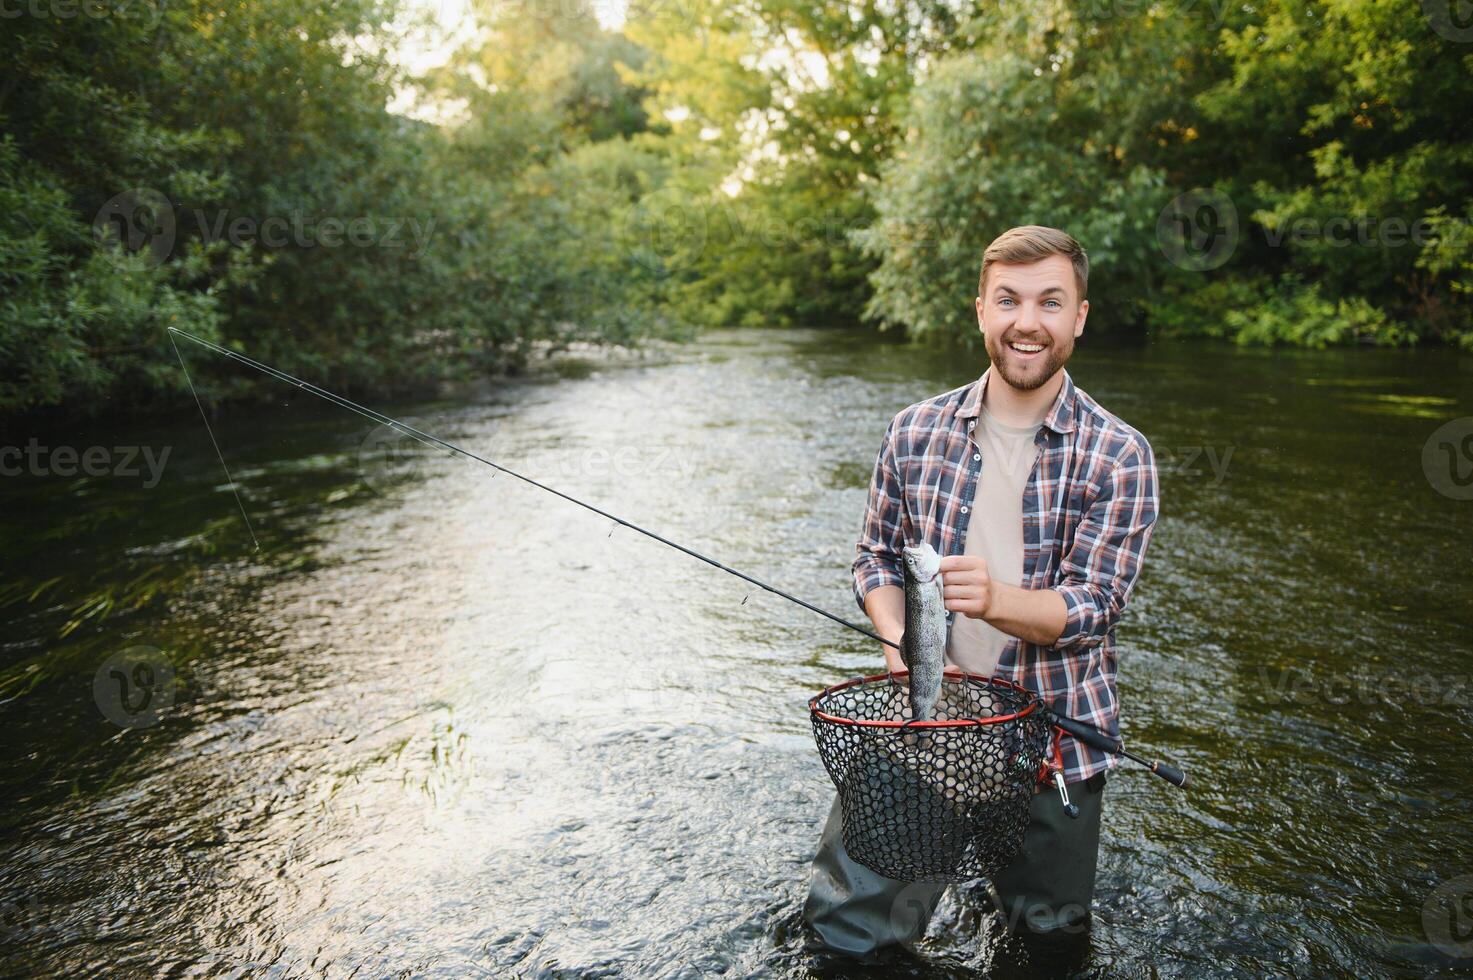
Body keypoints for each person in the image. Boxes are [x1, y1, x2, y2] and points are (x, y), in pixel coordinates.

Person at [802, 225, 1161, 964]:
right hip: (924, 725)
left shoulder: (1120, 454)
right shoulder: (912, 431)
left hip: (1053, 741)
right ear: (980, 310)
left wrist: (995, 598)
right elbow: (874, 558)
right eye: (1008, 300)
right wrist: (897, 640)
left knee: (1046, 945)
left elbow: (1093, 609)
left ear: (1079, 318)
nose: (1027, 322)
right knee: (850, 938)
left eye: (1049, 302)